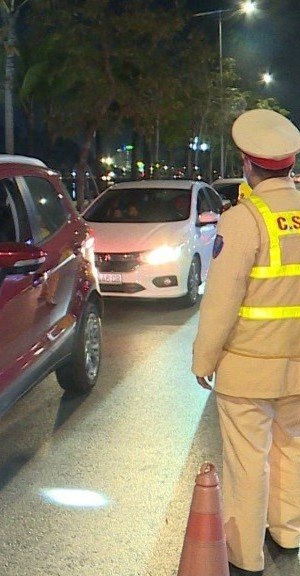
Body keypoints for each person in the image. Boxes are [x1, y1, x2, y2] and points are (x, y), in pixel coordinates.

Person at [192, 108, 300, 575]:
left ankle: (245, 555)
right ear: (291, 163)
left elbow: (222, 303)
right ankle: (289, 533)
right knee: (293, 447)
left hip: (248, 369)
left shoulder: (243, 221)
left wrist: (203, 359)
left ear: (248, 164)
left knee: (246, 462)